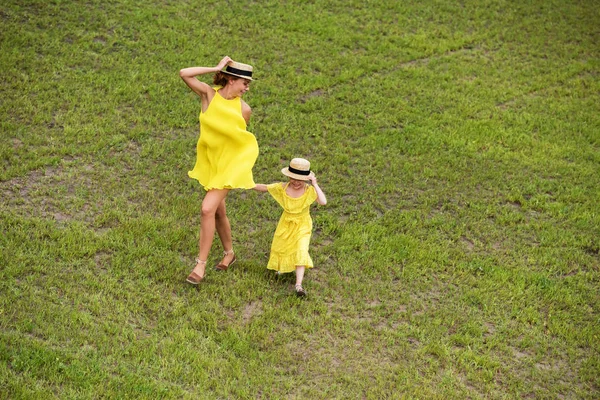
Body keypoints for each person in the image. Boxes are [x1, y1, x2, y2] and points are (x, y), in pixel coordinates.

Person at [179, 56, 259, 285]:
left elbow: (239, 139)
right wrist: (214, 68)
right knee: (218, 212)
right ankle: (229, 253)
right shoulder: (208, 95)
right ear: (231, 79)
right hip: (211, 162)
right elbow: (185, 72)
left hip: (230, 166)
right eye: (245, 83)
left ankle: (200, 265)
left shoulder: (245, 109)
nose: (247, 88)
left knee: (207, 208)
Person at [253, 158, 327, 297]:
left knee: (301, 249)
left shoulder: (309, 190)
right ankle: (282, 268)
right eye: (293, 178)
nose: (296, 182)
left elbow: (323, 201)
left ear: (306, 179)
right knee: (283, 247)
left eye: (300, 179)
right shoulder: (283, 188)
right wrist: (246, 184)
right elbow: (264, 187)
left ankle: (298, 285)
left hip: (303, 225)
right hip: (286, 223)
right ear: (288, 176)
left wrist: (315, 184)